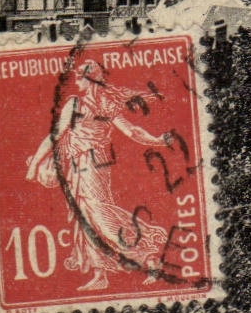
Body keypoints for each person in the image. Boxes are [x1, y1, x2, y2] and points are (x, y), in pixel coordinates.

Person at [25, 59, 172, 290]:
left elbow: (131, 131)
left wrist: (157, 141)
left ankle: (148, 253)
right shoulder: (84, 103)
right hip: (81, 165)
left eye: (79, 76)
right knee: (86, 218)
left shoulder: (98, 104)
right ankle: (100, 274)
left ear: (90, 78)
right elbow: (57, 133)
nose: (75, 81)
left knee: (100, 216)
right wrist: (36, 162)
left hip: (92, 166)